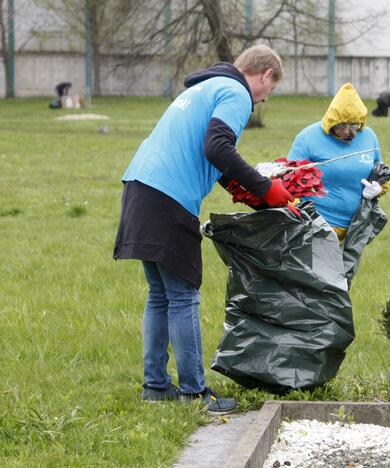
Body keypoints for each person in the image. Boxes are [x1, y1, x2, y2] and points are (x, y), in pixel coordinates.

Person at [113, 44, 293, 414]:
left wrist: (242, 189)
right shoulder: (235, 93)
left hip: (140, 187)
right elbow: (217, 147)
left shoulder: (203, 88)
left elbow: (208, 151)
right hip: (168, 197)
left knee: (161, 294)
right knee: (182, 295)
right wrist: (265, 187)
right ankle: (195, 393)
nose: (263, 99)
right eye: (269, 90)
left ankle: (156, 387)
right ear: (265, 75)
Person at [287, 82, 390, 241]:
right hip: (316, 226)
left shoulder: (369, 136)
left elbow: (381, 171)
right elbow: (289, 180)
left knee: (347, 266)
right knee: (323, 266)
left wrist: (379, 187)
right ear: (332, 122)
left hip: (356, 227)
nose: (348, 131)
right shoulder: (308, 138)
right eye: (342, 125)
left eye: (354, 124)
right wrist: (297, 218)